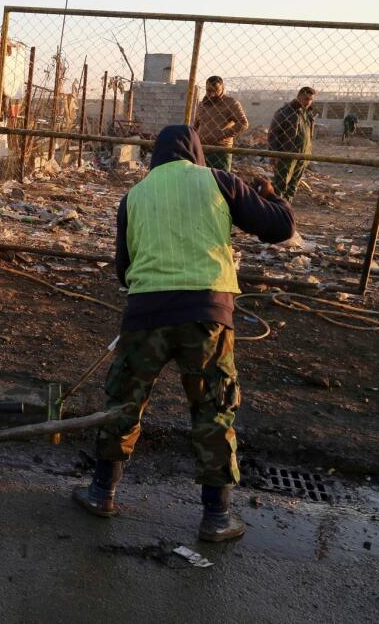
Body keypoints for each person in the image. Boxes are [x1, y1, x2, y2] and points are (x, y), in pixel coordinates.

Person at [72, 125, 294, 542]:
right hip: (207, 316)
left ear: (154, 156)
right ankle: (216, 517)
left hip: (146, 315)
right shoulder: (220, 182)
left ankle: (102, 492)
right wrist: (269, 192)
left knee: (124, 402)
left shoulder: (134, 196)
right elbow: (280, 228)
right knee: (213, 408)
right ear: (195, 152)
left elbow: (123, 267)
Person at [268, 86, 316, 202]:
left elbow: (309, 136)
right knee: (280, 185)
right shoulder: (285, 112)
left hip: (302, 156)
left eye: (310, 100)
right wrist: (273, 154)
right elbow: (273, 134)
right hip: (287, 156)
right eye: (305, 99)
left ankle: (286, 208)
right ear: (298, 96)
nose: (308, 102)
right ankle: (276, 209)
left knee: (293, 186)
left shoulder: (308, 114)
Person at [192, 76, 248, 172]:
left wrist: (222, 134)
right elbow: (195, 126)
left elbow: (243, 123)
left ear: (222, 88)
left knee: (220, 182)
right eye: (209, 90)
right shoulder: (202, 105)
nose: (212, 94)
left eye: (216, 90)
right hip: (202, 149)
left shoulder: (231, 103)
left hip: (220, 151)